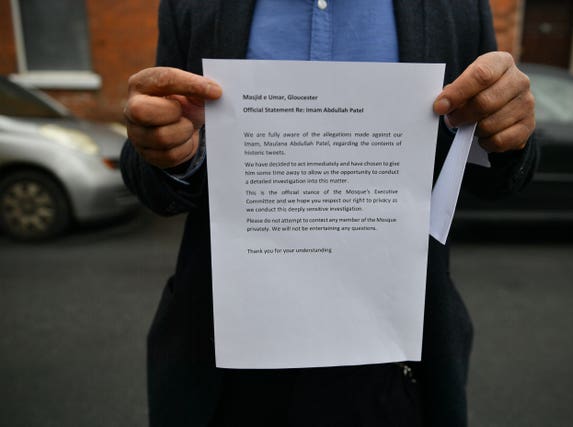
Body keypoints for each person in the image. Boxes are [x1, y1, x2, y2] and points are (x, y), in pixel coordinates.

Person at [121, 1, 537, 426]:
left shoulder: (458, 6)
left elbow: (494, 164)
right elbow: (157, 158)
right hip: (224, 358)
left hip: (395, 360)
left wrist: (509, 132)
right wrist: (167, 150)